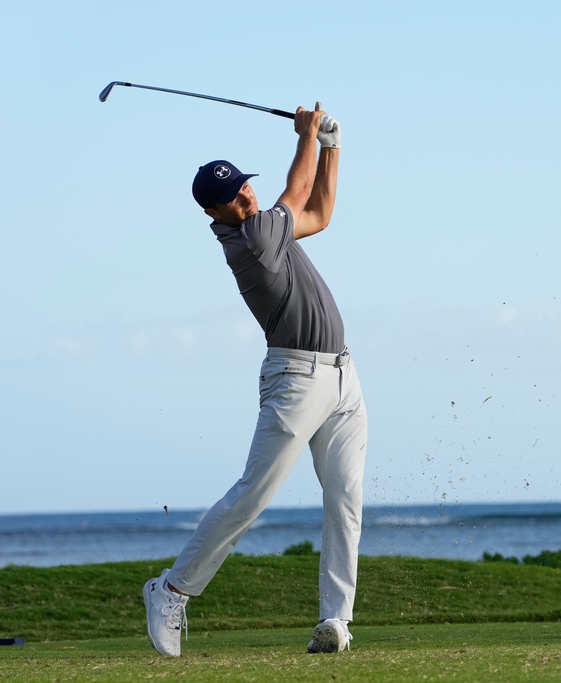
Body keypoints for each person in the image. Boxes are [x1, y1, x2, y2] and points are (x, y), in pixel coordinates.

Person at [143, 103, 368, 657]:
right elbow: (298, 188)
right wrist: (309, 135)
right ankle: (171, 589)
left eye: (246, 187)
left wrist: (332, 146)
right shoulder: (252, 237)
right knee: (252, 497)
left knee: (345, 499)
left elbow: (321, 211)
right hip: (295, 380)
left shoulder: (271, 226)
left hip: (343, 378)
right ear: (213, 212)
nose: (247, 197)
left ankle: (335, 622)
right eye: (235, 195)